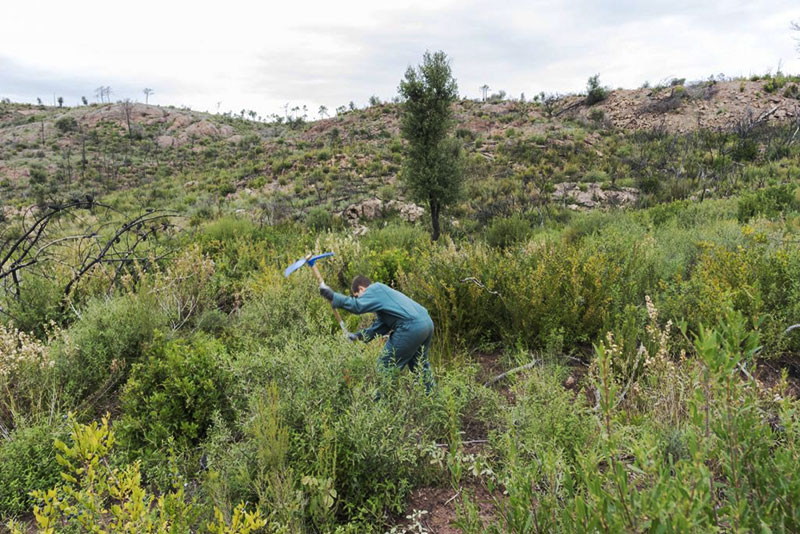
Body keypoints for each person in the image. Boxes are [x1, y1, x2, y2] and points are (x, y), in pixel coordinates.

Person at [319, 275, 435, 394]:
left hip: (410, 327)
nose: (359, 300)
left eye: (357, 296)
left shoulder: (374, 289)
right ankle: (432, 398)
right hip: (426, 323)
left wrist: (333, 296)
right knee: (419, 366)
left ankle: (379, 407)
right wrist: (357, 336)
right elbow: (379, 329)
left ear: (361, 289)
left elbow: (356, 306)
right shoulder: (384, 299)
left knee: (384, 367)